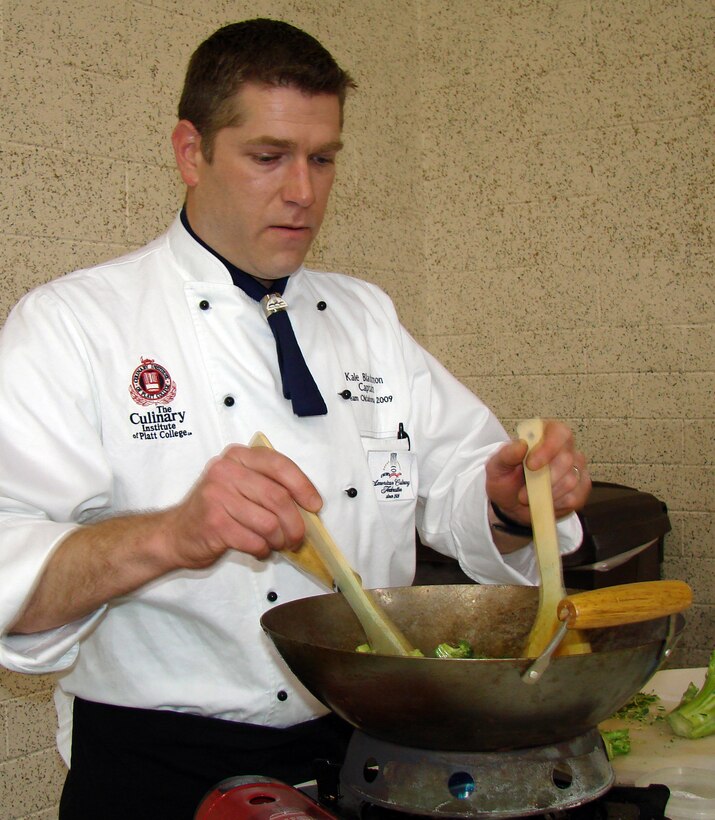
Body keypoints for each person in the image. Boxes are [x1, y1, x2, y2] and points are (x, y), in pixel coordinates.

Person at [0, 18, 591, 820]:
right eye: (268, 157)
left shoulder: (366, 316)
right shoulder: (76, 324)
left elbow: (457, 480)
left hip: (368, 750)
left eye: (322, 159)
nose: (302, 192)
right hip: (159, 768)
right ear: (190, 151)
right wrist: (171, 533)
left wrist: (507, 504)